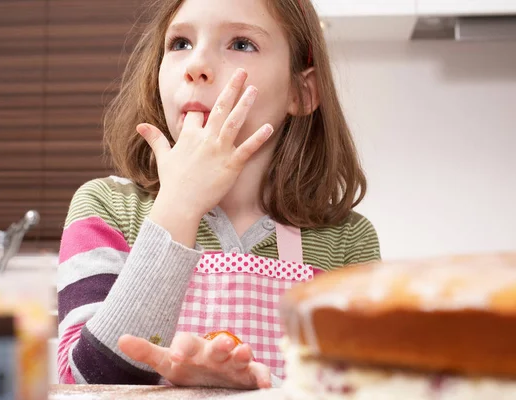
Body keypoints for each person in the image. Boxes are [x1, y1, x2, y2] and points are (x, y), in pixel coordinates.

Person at [57, 0, 381, 390]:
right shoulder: (105, 207)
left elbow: (364, 391)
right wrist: (179, 205)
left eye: (241, 44)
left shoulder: (347, 240)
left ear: (301, 91)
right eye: (180, 43)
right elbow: (84, 381)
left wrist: (255, 386)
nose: (196, 66)